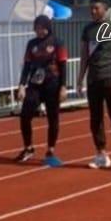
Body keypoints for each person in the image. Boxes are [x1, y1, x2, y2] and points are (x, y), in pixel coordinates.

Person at [78, 0, 111, 169]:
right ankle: (101, 154)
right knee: (95, 118)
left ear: (105, 10)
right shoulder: (88, 30)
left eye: (96, 8)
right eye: (91, 8)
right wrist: (80, 79)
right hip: (94, 80)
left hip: (110, 79)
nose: (93, 11)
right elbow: (84, 56)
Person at [14, 15, 68, 163]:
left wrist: (63, 86)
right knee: (25, 115)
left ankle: (50, 149)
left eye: (41, 28)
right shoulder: (32, 44)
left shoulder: (57, 42)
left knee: (53, 117)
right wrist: (21, 86)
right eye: (36, 28)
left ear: (47, 27)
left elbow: (63, 66)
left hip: (53, 83)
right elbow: (26, 66)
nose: (38, 31)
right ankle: (28, 147)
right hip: (35, 84)